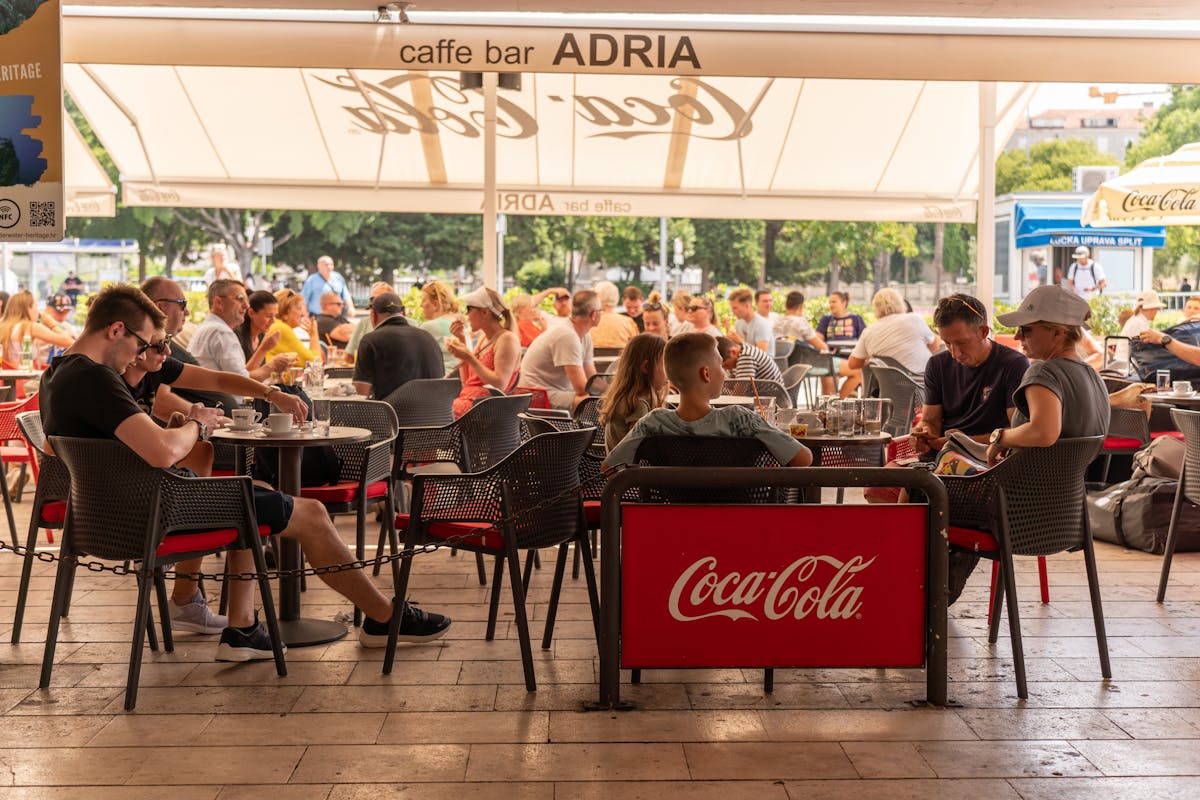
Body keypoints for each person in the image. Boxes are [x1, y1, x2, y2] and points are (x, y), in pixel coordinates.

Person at [40, 285, 450, 657]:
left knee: (250, 489)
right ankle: (385, 618)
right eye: (142, 344)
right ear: (116, 330)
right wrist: (196, 423)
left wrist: (176, 430)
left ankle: (243, 629)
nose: (140, 354)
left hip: (112, 513)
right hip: (152, 513)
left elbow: (84, 449)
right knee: (311, 513)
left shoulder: (58, 374)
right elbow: (163, 452)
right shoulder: (95, 378)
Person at [120, 324, 306, 635]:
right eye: (159, 344)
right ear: (130, 342)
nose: (168, 351)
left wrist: (272, 393)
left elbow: (217, 379)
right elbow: (158, 451)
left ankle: (186, 599)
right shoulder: (106, 382)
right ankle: (242, 630)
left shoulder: (150, 369)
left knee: (203, 453)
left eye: (167, 342)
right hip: (139, 506)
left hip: (146, 488)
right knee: (255, 500)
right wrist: (195, 423)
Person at [604, 333, 812, 468]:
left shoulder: (652, 422)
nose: (725, 372)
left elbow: (609, 467)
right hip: (736, 518)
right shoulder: (741, 419)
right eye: (721, 365)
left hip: (672, 518)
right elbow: (803, 459)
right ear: (706, 373)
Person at [909, 294, 1029, 458]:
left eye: (962, 343)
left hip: (991, 457)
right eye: (947, 343)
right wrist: (924, 433)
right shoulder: (937, 365)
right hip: (944, 455)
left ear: (983, 332)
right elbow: (931, 421)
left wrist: (964, 442)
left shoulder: (1013, 365)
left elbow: (1018, 431)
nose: (955, 353)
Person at [842, 288, 939, 398]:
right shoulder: (913, 319)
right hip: (923, 389)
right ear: (900, 303)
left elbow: (853, 363)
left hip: (890, 393)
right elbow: (935, 346)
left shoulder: (869, 331)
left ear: (876, 308)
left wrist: (872, 361)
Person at [191, 280, 296, 382]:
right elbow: (241, 382)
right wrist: (272, 366)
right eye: (240, 298)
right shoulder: (221, 332)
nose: (247, 305)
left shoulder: (211, 328)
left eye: (246, 300)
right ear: (218, 302)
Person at [517, 289, 600, 410]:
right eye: (600, 311)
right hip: (536, 396)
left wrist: (613, 391)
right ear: (594, 315)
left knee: (601, 400)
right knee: (592, 402)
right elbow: (582, 388)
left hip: (553, 391)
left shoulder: (584, 335)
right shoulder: (567, 335)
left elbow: (592, 379)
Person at [353, 292, 444, 400]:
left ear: (373, 315)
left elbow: (361, 391)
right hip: (436, 409)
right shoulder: (428, 337)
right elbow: (441, 380)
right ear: (403, 313)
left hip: (392, 410)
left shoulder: (370, 340)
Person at [448, 287, 521, 417]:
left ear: (484, 312)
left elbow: (500, 384)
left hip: (482, 411)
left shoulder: (507, 339)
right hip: (469, 404)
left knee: (431, 412)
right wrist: (462, 342)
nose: (466, 315)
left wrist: (470, 358)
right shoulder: (484, 339)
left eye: (469, 309)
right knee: (429, 409)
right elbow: (468, 380)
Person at [599, 333, 668, 451]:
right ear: (646, 367)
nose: (669, 371)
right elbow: (638, 450)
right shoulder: (637, 405)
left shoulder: (627, 398)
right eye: (665, 364)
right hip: (629, 464)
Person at [0, 290, 74, 366]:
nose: (38, 312)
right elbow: (70, 342)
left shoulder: (2, 325)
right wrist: (52, 325)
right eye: (36, 306)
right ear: (28, 308)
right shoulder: (30, 327)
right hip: (24, 372)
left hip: (5, 372)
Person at [266, 289, 322, 368]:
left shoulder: (276, 326)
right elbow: (315, 363)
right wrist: (314, 335)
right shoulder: (281, 328)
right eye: (299, 309)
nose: (302, 314)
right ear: (285, 312)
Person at [418, 281, 463, 376]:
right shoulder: (460, 323)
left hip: (440, 380)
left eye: (423, 300)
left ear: (435, 304)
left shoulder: (428, 327)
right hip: (460, 378)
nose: (420, 305)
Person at [346, 282, 393, 359]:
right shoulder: (364, 323)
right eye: (372, 299)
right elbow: (349, 356)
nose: (374, 303)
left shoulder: (409, 324)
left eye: (381, 299)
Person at [236, 290, 282, 371]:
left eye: (275, 316)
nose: (273, 321)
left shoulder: (261, 336)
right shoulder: (236, 336)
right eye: (269, 316)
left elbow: (259, 372)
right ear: (251, 313)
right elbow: (242, 375)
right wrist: (264, 348)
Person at [724, 287, 775, 357]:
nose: (732, 311)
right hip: (745, 360)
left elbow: (762, 355)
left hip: (760, 363)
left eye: (735, 308)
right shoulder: (739, 322)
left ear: (747, 306)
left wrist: (740, 341)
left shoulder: (762, 324)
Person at [590, 281, 639, 348]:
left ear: (596, 298)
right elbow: (637, 347)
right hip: (621, 355)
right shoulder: (627, 322)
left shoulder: (588, 323)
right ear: (616, 298)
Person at [716, 336, 783, 383]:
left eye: (725, 365)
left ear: (733, 352)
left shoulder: (746, 356)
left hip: (771, 396)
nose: (726, 369)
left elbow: (739, 393)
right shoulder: (741, 352)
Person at [37, 293, 79, 362]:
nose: (64, 314)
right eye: (60, 312)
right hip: (43, 364)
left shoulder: (67, 326)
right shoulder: (39, 324)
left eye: (67, 311)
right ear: (48, 308)